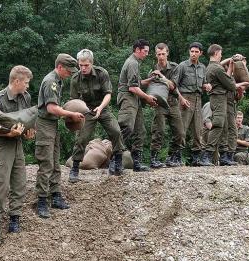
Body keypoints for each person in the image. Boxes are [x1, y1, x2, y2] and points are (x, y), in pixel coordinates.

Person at [0, 65, 36, 246]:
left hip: (18, 144)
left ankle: (15, 218)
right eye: (26, 83)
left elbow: (27, 120)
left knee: (19, 183)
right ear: (17, 81)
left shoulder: (26, 97)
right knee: (1, 185)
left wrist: (29, 133)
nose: (28, 87)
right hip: (2, 145)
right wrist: (9, 134)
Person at [35, 54, 84, 218]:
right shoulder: (51, 81)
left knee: (55, 161)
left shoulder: (58, 80)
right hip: (44, 125)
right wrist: (71, 114)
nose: (70, 74)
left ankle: (55, 195)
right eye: (68, 71)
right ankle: (42, 200)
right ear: (60, 67)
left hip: (52, 124)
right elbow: (51, 108)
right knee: (46, 163)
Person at [68, 49, 125, 181]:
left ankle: (118, 161)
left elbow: (108, 94)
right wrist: (76, 114)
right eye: (80, 65)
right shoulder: (76, 79)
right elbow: (74, 101)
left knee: (116, 131)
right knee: (81, 138)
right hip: (86, 110)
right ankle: (75, 168)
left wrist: (100, 107)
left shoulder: (101, 73)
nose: (83, 68)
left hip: (102, 107)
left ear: (91, 63)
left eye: (86, 65)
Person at [201, 44, 249, 166]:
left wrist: (232, 63)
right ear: (217, 53)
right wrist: (242, 84)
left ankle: (224, 156)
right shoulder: (216, 68)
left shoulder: (214, 68)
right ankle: (206, 156)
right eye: (221, 53)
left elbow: (227, 78)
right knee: (218, 124)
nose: (221, 55)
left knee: (225, 127)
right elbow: (230, 85)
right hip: (218, 98)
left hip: (221, 98)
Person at [117, 39, 158, 172]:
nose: (147, 54)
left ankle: (137, 163)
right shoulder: (132, 62)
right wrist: (148, 98)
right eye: (145, 51)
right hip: (128, 98)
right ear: (138, 50)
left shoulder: (135, 62)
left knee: (140, 131)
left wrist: (150, 80)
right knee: (126, 127)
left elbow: (137, 82)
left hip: (135, 100)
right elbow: (132, 88)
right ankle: (114, 161)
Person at [145, 43, 183, 168]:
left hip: (173, 102)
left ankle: (172, 157)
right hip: (160, 103)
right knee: (158, 130)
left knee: (179, 132)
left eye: (163, 54)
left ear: (167, 53)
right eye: (158, 54)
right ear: (155, 55)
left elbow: (172, 86)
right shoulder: (152, 70)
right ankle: (154, 158)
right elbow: (151, 89)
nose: (161, 56)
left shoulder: (174, 67)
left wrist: (161, 76)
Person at [174, 42, 211, 166]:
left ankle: (196, 158)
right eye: (192, 51)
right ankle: (177, 156)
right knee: (181, 129)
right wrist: (180, 99)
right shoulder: (182, 66)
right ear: (189, 52)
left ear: (201, 53)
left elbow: (204, 83)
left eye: (196, 52)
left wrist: (207, 86)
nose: (194, 54)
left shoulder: (202, 67)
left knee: (198, 130)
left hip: (198, 98)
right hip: (185, 98)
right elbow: (174, 86)